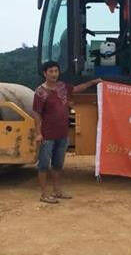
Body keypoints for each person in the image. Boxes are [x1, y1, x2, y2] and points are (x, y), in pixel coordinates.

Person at [32, 61, 101, 204]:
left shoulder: (62, 87)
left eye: (56, 71)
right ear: (45, 73)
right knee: (43, 165)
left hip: (62, 133)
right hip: (47, 135)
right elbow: (36, 113)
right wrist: (38, 133)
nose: (54, 74)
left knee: (57, 164)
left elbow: (76, 89)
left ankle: (57, 191)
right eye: (51, 71)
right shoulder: (40, 92)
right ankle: (44, 194)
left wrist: (92, 82)